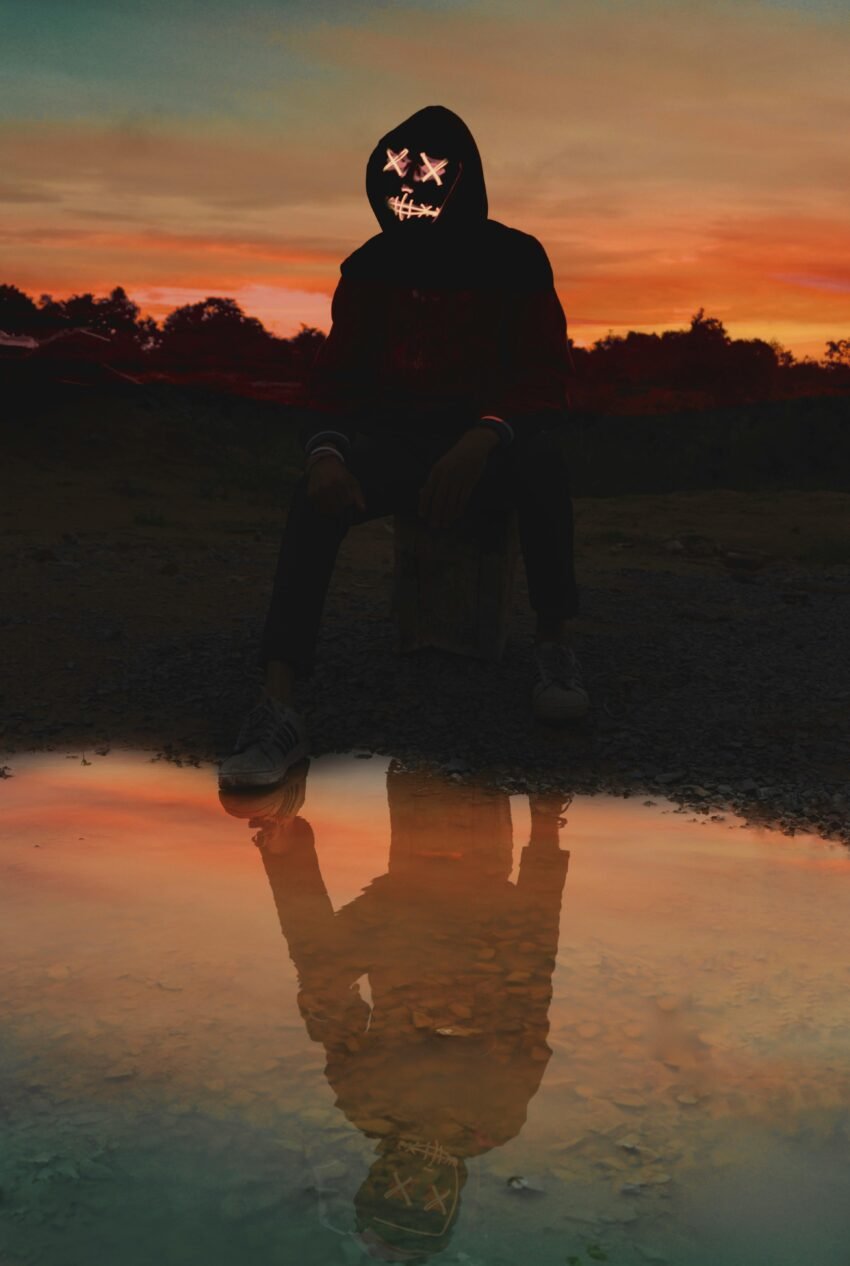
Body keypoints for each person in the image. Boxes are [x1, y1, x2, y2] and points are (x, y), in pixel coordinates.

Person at [219, 104, 588, 791]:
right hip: (399, 439)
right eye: (397, 180)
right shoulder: (369, 267)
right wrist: (326, 454)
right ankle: (279, 705)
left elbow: (545, 376)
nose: (411, 194)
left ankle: (555, 646)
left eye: (428, 180)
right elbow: (338, 382)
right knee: (314, 498)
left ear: (463, 180)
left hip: (494, 438)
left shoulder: (516, 258)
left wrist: (484, 433)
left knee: (544, 464)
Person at [220, 760, 572, 1260]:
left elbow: (330, 1009)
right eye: (423, 1199)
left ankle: (283, 835)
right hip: (480, 917)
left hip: (406, 914)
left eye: (394, 1193)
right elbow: (533, 991)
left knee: (319, 966)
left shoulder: (368, 1108)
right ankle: (285, 837)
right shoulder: (488, 1122)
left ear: (374, 1181)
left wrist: (330, 996)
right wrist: (544, 835)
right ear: (448, 1198)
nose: (411, 1185)